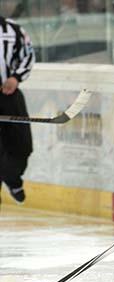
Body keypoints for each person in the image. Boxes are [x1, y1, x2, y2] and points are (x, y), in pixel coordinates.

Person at [0, 16, 35, 206]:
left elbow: (28, 54)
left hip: (9, 94)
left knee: (23, 145)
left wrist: (15, 77)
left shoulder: (12, 29)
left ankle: (12, 179)